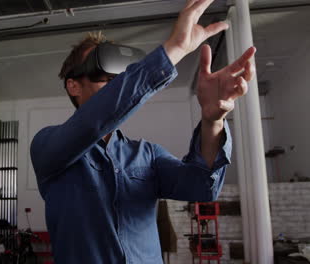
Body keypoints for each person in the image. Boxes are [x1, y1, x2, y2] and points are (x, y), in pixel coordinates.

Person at [30, 0, 256, 263]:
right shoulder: (47, 147)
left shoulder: (146, 155)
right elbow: (93, 121)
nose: (116, 82)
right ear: (73, 86)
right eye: (103, 71)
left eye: (120, 74)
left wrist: (213, 121)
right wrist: (174, 50)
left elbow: (202, 186)